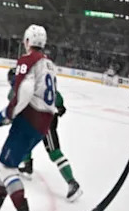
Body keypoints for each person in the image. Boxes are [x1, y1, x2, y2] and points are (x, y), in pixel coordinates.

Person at [0, 25, 57, 211]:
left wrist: (7, 114)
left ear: (27, 41)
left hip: (29, 120)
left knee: (6, 167)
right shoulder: (49, 64)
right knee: (8, 164)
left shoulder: (27, 61)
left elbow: (25, 90)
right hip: (43, 123)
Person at [10, 68, 82, 202]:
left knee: (54, 153)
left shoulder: (21, 89)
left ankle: (72, 183)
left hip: (45, 123)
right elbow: (59, 101)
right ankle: (27, 167)